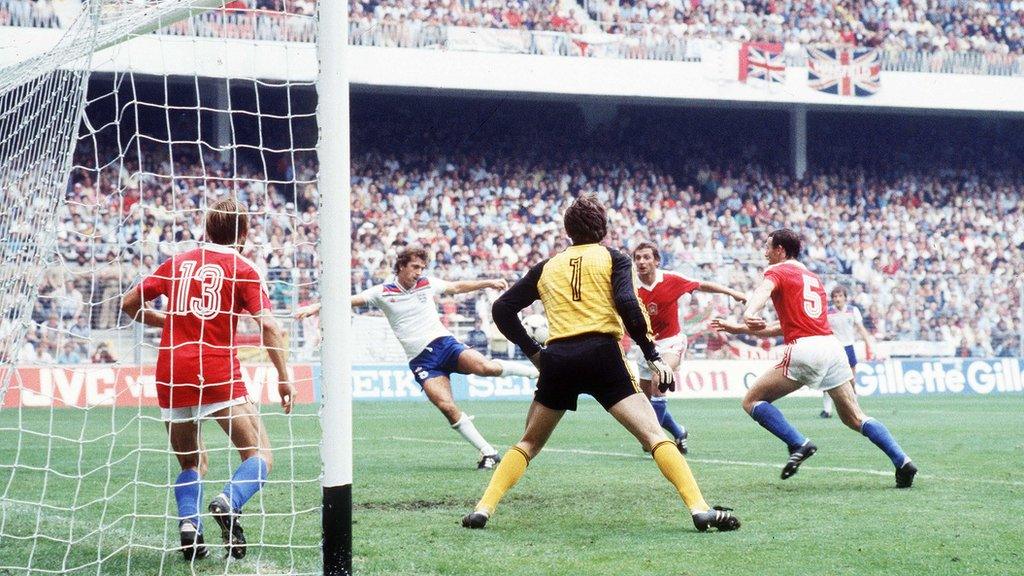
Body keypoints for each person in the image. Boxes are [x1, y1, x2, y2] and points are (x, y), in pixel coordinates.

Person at [461, 195, 740, 532]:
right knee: (653, 435)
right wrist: (651, 354)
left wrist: (535, 352)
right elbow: (626, 302)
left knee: (529, 443)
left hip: (559, 358)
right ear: (604, 229)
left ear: (567, 231)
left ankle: (483, 509)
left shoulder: (546, 267)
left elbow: (501, 309)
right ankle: (699, 508)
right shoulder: (613, 258)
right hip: (602, 354)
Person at [121, 199, 294, 562]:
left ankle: (190, 525)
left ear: (206, 230)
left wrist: (164, 322)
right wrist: (284, 377)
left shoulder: (177, 262)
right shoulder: (243, 267)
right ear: (243, 234)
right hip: (215, 370)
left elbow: (129, 303)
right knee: (259, 453)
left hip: (170, 372)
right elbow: (270, 326)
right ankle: (229, 501)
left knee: (191, 462)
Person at [297, 245, 538, 469]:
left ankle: (538, 372)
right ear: (401, 266)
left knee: (486, 368)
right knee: (446, 406)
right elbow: (344, 301)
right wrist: (313, 307)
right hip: (422, 361)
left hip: (444, 344)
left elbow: (456, 287)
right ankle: (488, 452)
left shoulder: (427, 283)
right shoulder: (382, 292)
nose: (419, 272)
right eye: (415, 267)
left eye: (422, 268)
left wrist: (488, 282)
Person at [710, 229, 916, 488]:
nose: (764, 253)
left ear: (781, 251)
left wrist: (749, 311)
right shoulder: (813, 278)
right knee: (854, 417)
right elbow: (787, 325)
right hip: (832, 348)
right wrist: (739, 328)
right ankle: (902, 461)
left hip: (806, 349)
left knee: (752, 401)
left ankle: (798, 443)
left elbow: (762, 293)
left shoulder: (778, 271)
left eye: (768, 248)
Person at [632, 241, 747, 453]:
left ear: (657, 261)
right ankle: (678, 431)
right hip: (645, 346)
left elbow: (703, 285)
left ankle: (655, 441)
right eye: (638, 258)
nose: (641, 261)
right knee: (645, 401)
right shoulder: (630, 285)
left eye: (646, 257)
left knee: (660, 378)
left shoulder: (671, 279)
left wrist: (733, 293)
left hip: (671, 342)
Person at [819, 286, 874, 418]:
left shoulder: (853, 310)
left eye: (840, 296)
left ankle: (855, 408)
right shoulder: (828, 312)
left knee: (851, 380)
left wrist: (868, 343)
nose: (838, 299)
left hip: (849, 347)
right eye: (835, 297)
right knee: (827, 380)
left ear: (845, 298)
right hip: (834, 348)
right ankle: (827, 410)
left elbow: (860, 328)